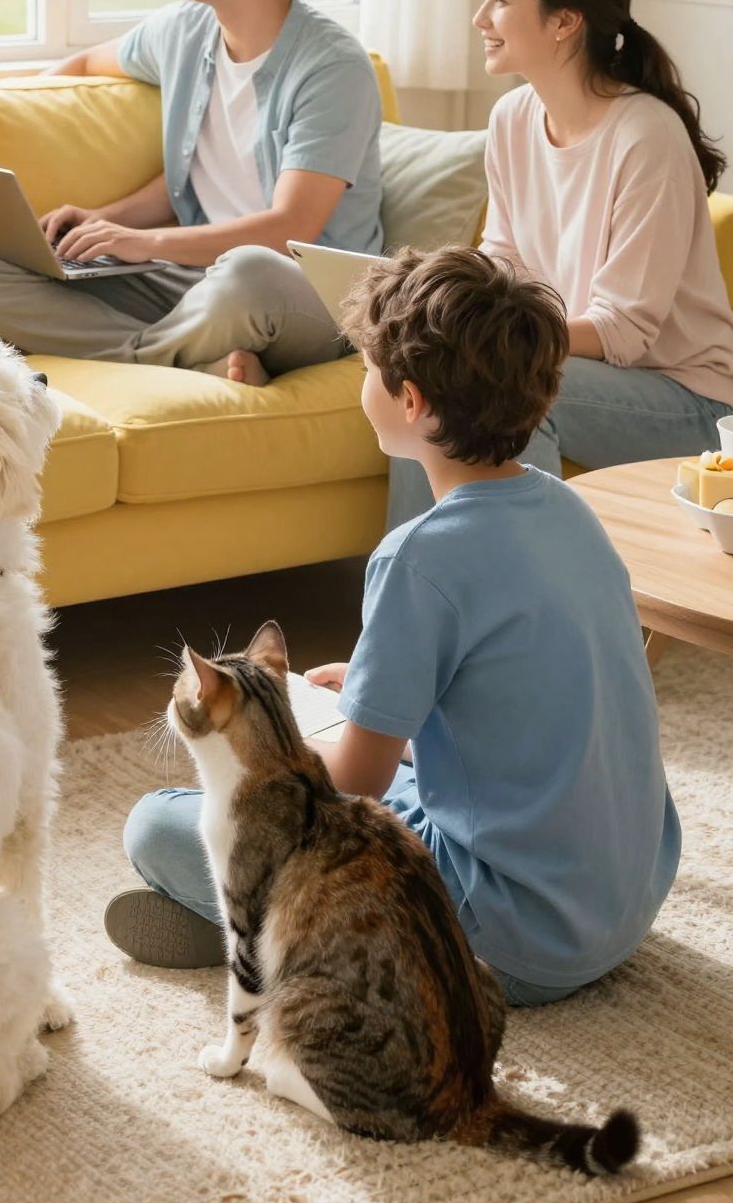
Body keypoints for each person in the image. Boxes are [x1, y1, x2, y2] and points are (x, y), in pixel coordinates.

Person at [106, 247, 681, 1004]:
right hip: (624, 906)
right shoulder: (572, 509)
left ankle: (273, 936)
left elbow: (351, 786)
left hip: (510, 941)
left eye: (368, 367)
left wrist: (275, 744)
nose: (360, 379)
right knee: (399, 762)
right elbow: (531, 709)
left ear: (410, 401)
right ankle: (260, 931)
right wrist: (391, 696)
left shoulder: (417, 558)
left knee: (160, 824)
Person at [0, 0, 383, 383]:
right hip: (197, 279)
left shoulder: (331, 67)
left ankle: (156, 358)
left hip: (308, 293)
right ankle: (193, 357)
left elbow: (290, 228)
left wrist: (143, 243)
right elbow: (87, 64)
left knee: (247, 272)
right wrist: (103, 220)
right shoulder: (184, 31)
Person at [387, 0, 733, 526]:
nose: (480, 18)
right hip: (577, 364)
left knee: (516, 391)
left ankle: (532, 603)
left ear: (565, 21)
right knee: (425, 379)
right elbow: (503, 261)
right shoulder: (513, 118)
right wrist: (442, 318)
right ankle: (419, 600)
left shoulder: (646, 136)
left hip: (690, 400)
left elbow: (623, 331)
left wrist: (496, 340)